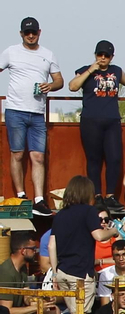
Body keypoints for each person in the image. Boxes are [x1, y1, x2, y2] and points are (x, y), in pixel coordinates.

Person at [70, 40, 125, 210]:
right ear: (95, 55)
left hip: (112, 121)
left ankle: (110, 196)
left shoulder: (116, 71)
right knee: (94, 159)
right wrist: (90, 70)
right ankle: (96, 195)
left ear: (111, 57)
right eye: (99, 54)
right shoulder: (85, 70)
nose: (102, 58)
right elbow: (73, 86)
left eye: (106, 55)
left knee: (114, 158)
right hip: (90, 120)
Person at [1, 17, 62, 211]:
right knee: (17, 154)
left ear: (39, 33)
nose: (30, 35)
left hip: (37, 113)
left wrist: (50, 86)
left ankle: (38, 199)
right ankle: (21, 195)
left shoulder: (48, 54)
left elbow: (59, 80)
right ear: (21, 34)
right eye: (27, 32)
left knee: (38, 157)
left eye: (33, 32)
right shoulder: (11, 52)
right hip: (15, 110)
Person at [49, 176, 114, 292]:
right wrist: (114, 231)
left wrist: (54, 274)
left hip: (62, 272)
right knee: (81, 310)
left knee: (73, 309)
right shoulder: (89, 211)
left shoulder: (60, 215)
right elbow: (99, 236)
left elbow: (51, 246)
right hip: (80, 273)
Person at [0, 235, 53, 314]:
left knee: (54, 312)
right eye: (33, 249)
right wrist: (34, 308)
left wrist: (38, 300)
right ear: (23, 251)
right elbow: (6, 312)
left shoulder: (23, 268)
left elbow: (26, 295)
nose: (35, 252)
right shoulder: (6, 273)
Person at [95, 239, 125, 306]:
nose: (121, 259)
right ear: (113, 257)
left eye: (124, 254)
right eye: (117, 255)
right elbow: (105, 305)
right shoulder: (105, 275)